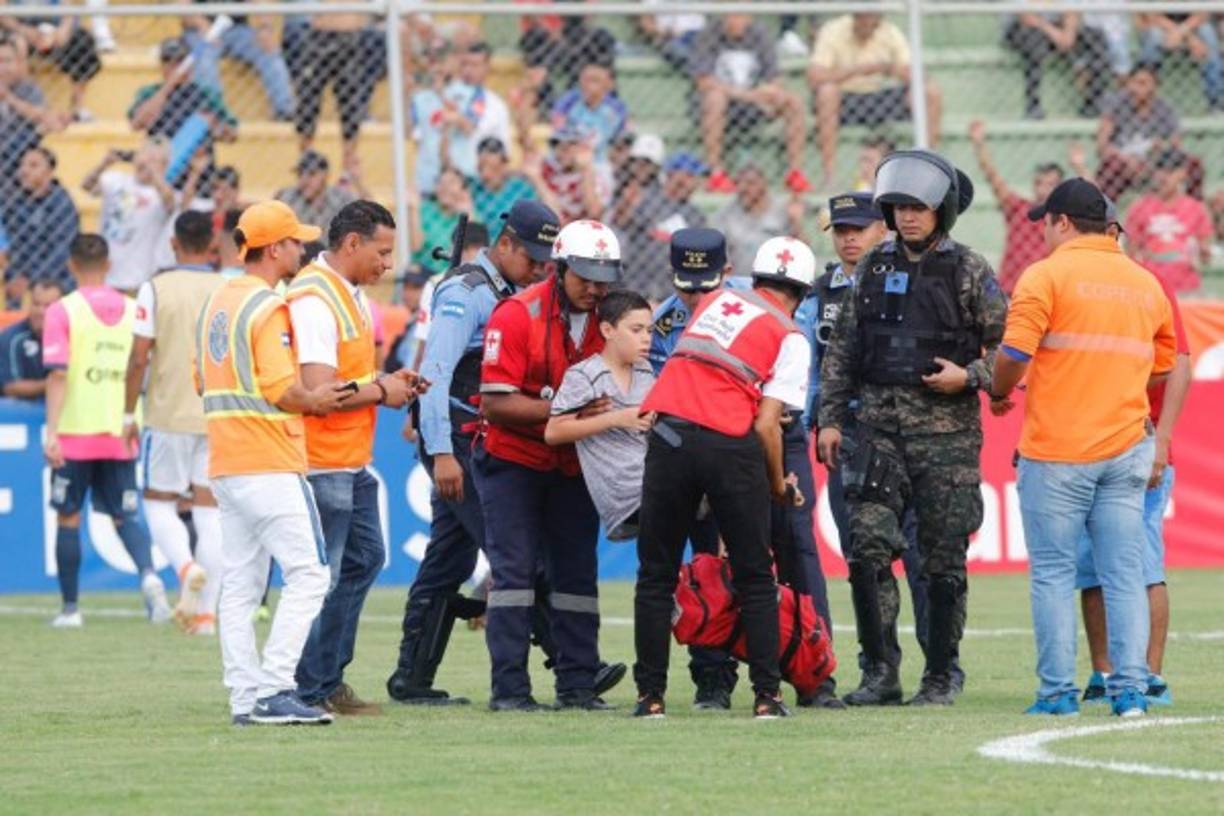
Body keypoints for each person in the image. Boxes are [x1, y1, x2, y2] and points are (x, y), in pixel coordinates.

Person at [389, 201, 625, 704]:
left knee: (448, 559)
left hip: (476, 432)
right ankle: (569, 661)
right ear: (505, 244)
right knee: (517, 557)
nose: (541, 266)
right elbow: (435, 375)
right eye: (534, 256)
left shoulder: (523, 293)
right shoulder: (466, 291)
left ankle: (411, 678)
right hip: (460, 436)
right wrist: (440, 453)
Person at [817, 150, 1007, 707]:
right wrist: (830, 419)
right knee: (867, 551)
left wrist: (968, 375)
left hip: (946, 439)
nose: (907, 217)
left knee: (942, 556)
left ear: (940, 211)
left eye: (918, 207)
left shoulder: (970, 269)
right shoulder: (873, 267)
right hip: (875, 432)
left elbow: (1011, 352)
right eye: (898, 207)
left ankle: (942, 673)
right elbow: (844, 350)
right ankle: (880, 673)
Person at [990, 178, 1177, 718]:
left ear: (1063, 222)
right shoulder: (1144, 282)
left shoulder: (1045, 276)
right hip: (1126, 447)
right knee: (1124, 573)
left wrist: (1001, 392)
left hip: (1059, 451)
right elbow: (1163, 365)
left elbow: (1015, 352)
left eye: (1045, 223)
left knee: (1052, 574)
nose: (1042, 233)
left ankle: (1056, 695)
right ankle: (1131, 691)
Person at [634, 235, 816, 720]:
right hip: (728, 443)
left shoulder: (715, 301)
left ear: (754, 279)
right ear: (803, 292)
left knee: (655, 574)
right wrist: (778, 486)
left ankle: (650, 698)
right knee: (755, 576)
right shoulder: (792, 336)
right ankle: (766, 697)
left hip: (668, 432)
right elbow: (765, 424)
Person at [198, 200, 353, 726]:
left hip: (226, 459)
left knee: (239, 588)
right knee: (310, 574)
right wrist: (321, 400)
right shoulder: (268, 307)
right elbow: (281, 387)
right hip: (268, 455)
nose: (303, 248)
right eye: (294, 242)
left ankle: (246, 698)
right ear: (272, 249)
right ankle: (276, 688)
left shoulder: (219, 302)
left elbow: (203, 380)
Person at [475, 219, 620, 712]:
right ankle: (510, 690)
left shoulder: (614, 319)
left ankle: (578, 685)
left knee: (577, 574)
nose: (596, 288)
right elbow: (496, 404)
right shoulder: (516, 315)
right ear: (558, 269)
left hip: (575, 465)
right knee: (514, 575)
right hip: (513, 460)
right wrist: (569, 412)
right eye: (585, 277)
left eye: (604, 279)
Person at [286, 200, 421, 717]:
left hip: (347, 458)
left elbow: (353, 379)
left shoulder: (347, 295)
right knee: (323, 574)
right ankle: (307, 686)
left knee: (364, 560)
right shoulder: (316, 300)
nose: (387, 264)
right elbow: (320, 390)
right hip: (321, 460)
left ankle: (323, 679)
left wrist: (388, 384)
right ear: (351, 244)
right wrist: (380, 390)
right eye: (382, 252)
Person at [1077, 208, 1193, 709]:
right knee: (1090, 566)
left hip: (1133, 441)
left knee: (1143, 559)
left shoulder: (1148, 285)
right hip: (1077, 441)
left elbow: (1179, 365)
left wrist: (1162, 441)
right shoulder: (1068, 283)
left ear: (1114, 235)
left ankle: (1150, 673)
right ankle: (1104, 672)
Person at [42, 234, 171, 629]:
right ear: (110, 265)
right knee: (124, 516)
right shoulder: (134, 310)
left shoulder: (62, 311)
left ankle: (70, 610)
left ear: (70, 265)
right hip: (121, 430)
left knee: (69, 519)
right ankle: (149, 576)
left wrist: (52, 431)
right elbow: (145, 368)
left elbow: (59, 374)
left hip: (76, 433)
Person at [645, 227, 743, 710]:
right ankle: (710, 678)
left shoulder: (748, 313)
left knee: (742, 570)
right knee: (698, 575)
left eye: (707, 285)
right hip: (682, 461)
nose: (697, 295)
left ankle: (791, 666)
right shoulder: (663, 325)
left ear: (727, 271)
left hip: (737, 455)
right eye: (688, 286)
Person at [124, 210, 225, 636]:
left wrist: (129, 413)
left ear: (173, 243)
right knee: (210, 509)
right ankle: (205, 617)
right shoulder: (227, 288)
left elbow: (139, 355)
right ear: (213, 245)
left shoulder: (155, 289)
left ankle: (185, 568)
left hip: (167, 413)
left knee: (158, 501)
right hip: (218, 413)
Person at [545, 290, 656, 542]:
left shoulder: (645, 370)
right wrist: (617, 418)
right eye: (636, 330)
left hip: (653, 479)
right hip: (625, 494)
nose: (646, 339)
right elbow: (553, 432)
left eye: (649, 331)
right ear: (607, 330)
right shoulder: (585, 375)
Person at [808, 13, 943, 189]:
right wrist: (857, 70)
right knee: (827, 92)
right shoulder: (833, 30)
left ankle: (927, 167)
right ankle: (829, 176)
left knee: (929, 92)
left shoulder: (890, 32)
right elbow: (814, 76)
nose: (867, 23)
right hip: (847, 97)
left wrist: (887, 68)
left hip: (881, 95)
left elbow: (916, 74)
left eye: (872, 20)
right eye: (863, 18)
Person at [690, 14, 810, 194]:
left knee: (793, 101)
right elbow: (704, 81)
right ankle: (715, 173)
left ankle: (795, 172)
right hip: (720, 104)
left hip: (753, 103)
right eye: (732, 12)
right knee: (715, 98)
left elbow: (774, 79)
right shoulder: (709, 34)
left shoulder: (759, 33)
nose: (736, 19)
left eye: (741, 13)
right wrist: (747, 94)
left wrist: (770, 91)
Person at [128, 37, 238, 191]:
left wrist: (214, 126)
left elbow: (232, 134)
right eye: (168, 61)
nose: (174, 66)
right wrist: (169, 85)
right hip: (160, 178)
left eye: (179, 61)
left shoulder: (205, 94)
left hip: (198, 177)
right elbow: (137, 123)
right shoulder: (150, 93)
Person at [968, 120, 1063, 294]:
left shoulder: (1064, 221)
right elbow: (992, 177)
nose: (1043, 190)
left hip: (1044, 293)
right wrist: (979, 145)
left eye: (1050, 185)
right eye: (1039, 183)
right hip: (1011, 291)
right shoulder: (1019, 208)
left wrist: (1080, 167)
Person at [612, 145, 710, 302]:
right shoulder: (646, 199)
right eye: (690, 176)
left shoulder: (695, 216)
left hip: (672, 292)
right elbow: (621, 222)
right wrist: (627, 205)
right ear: (673, 175)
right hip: (636, 283)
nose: (695, 182)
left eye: (695, 177)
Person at [1095, 63, 1204, 201]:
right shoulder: (1117, 105)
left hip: (1154, 166)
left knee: (1194, 164)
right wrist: (1125, 159)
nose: (1135, 88)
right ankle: (1105, 216)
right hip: (1124, 165)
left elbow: (1176, 146)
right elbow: (1102, 146)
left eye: (1143, 83)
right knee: (1113, 165)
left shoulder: (1164, 110)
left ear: (1154, 86)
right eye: (1133, 82)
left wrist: (1160, 151)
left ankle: (1193, 211)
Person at [82, 142, 177, 294]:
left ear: (164, 166)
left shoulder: (160, 194)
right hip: (106, 272)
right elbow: (87, 186)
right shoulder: (116, 180)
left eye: (153, 160)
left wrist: (155, 175)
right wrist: (104, 164)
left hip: (138, 277)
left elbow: (170, 202)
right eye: (144, 156)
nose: (146, 163)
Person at [292, 10, 379, 166]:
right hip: (320, 33)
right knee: (308, 101)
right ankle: (305, 161)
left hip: (351, 32)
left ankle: (349, 165)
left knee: (350, 106)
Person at [181, 4, 296, 121]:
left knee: (269, 52)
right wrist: (204, 26)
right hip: (200, 29)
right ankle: (212, 111)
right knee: (204, 57)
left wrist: (264, 28)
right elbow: (184, 5)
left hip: (236, 30)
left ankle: (284, 110)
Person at [1123, 148, 1213, 293]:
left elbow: (1205, 255)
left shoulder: (1195, 208)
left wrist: (1202, 251)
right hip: (1151, 286)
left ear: (1182, 173)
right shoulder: (1140, 206)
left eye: (1171, 171)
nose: (1164, 176)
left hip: (1186, 285)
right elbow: (1131, 253)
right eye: (1160, 169)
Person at [1002, 4, 1112, 119]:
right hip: (1023, 27)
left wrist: (1069, 33)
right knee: (1034, 39)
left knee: (1096, 37)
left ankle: (1092, 104)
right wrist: (1054, 33)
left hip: (1054, 27)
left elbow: (1071, 11)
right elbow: (1026, 16)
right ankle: (1032, 105)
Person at [2, 146, 80, 306]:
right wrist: (16, 274)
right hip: (19, 276)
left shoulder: (62, 203)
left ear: (50, 172)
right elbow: (11, 244)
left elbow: (61, 250)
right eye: (21, 165)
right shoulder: (13, 203)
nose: (24, 171)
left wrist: (29, 279)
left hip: (55, 278)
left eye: (33, 165)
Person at [0, 3, 100, 122]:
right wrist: (25, 31)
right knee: (19, 44)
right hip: (19, 30)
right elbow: (3, 13)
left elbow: (69, 11)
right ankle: (24, 102)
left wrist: (61, 32)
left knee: (83, 41)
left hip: (53, 31)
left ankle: (77, 108)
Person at [0, 34, 62, 207]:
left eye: (7, 61)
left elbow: (46, 119)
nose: (3, 67)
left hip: (18, 159)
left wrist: (9, 98)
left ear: (18, 63)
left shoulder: (28, 89)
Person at [713, 162, 804, 279]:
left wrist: (795, 222)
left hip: (775, 281)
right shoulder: (726, 214)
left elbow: (802, 249)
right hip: (738, 282)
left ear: (763, 184)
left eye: (750, 183)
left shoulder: (781, 211)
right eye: (738, 183)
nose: (743, 188)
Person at [1136, 9, 1223, 111]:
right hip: (1164, 29)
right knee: (1154, 35)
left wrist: (1185, 35)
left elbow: (1202, 15)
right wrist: (1180, 33)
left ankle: (1215, 101)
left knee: (1207, 32)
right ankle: (1146, 96)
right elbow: (1152, 17)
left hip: (1190, 28)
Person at [550, 60, 628, 171]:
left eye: (594, 81)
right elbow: (558, 132)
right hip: (569, 163)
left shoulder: (617, 108)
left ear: (609, 85)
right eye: (585, 79)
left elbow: (624, 141)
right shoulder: (568, 102)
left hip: (600, 164)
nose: (588, 85)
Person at [0, 279, 60, 399]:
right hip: (22, 412)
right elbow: (10, 387)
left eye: (48, 305)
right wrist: (56, 383)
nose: (41, 311)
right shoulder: (12, 338)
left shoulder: (74, 336)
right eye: (36, 304)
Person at [536, 124, 607, 224]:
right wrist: (536, 178)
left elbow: (594, 212)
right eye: (557, 144)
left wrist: (585, 170)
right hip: (556, 230)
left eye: (570, 144)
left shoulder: (594, 175)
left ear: (581, 148)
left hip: (585, 230)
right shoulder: (549, 174)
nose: (562, 149)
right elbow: (552, 214)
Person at [409, 168, 474, 276]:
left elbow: (471, 251)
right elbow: (416, 246)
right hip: (423, 274)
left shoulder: (470, 214)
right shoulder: (424, 209)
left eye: (451, 183)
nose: (445, 187)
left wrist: (467, 214)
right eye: (441, 182)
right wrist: (414, 209)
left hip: (454, 275)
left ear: (463, 189)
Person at [275, 151, 358, 236]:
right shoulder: (287, 200)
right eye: (300, 174)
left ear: (326, 175)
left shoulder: (342, 199)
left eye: (311, 174)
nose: (304, 180)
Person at [471, 137, 539, 227]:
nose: (488, 174)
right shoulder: (474, 189)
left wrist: (536, 178)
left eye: (495, 167)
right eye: (484, 166)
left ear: (504, 164)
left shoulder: (520, 187)